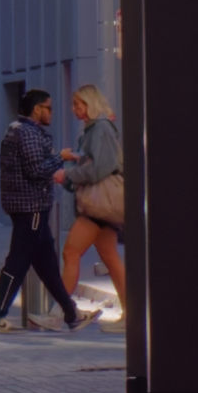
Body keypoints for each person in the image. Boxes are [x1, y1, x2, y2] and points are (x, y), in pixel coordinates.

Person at [0, 85, 78, 330]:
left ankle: (71, 314)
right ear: (37, 109)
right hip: (31, 207)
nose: (51, 113)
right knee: (18, 262)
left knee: (47, 264)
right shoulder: (27, 133)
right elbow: (36, 170)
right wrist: (61, 157)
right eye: (49, 108)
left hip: (30, 207)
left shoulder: (18, 130)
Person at [57, 81, 126, 315]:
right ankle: (130, 314)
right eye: (73, 104)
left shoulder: (100, 129)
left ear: (90, 104)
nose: (74, 109)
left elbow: (100, 168)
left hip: (98, 205)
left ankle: (61, 313)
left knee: (71, 252)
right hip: (103, 205)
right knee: (110, 258)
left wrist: (68, 175)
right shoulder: (94, 129)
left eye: (78, 104)